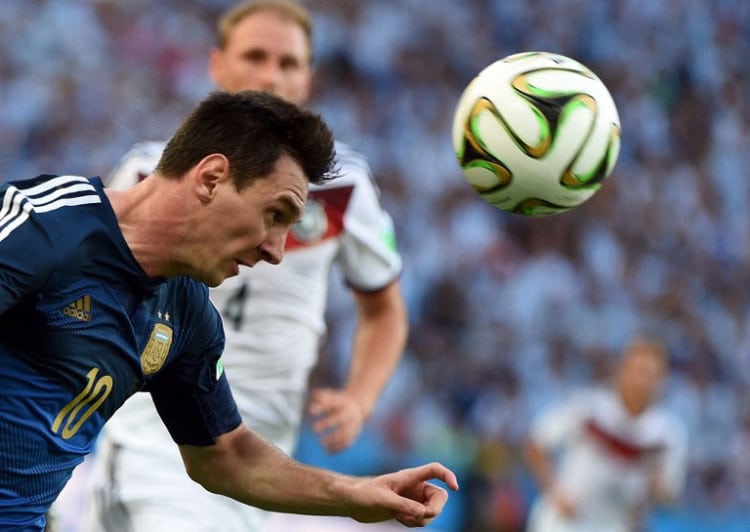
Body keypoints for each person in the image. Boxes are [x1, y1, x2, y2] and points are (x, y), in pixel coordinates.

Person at [0, 89, 458, 531]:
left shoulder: (185, 316)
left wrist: (356, 495)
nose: (277, 251)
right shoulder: (40, 225)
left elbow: (226, 456)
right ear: (211, 178)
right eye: (275, 214)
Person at [81, 1, 409, 531]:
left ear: (308, 78)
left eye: (288, 63)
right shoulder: (151, 172)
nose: (270, 74)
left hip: (263, 458)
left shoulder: (345, 189)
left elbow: (384, 311)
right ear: (218, 65)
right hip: (156, 444)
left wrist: (359, 400)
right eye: (255, 56)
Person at [522, 336, 688, 532]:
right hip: (565, 523)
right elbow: (535, 443)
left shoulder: (668, 434)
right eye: (639, 371)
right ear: (622, 371)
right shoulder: (589, 406)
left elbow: (669, 495)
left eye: (652, 374)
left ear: (662, 381)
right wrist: (555, 491)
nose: (643, 382)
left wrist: (655, 487)